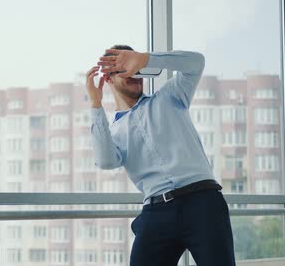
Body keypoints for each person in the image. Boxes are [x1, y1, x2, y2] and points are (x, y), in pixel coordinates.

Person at [86, 45, 236, 266]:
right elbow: (106, 161)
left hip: (202, 202)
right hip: (156, 213)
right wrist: (95, 105)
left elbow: (196, 63)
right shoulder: (114, 132)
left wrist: (145, 59)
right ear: (108, 78)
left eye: (135, 68)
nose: (135, 75)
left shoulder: (170, 96)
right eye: (124, 69)